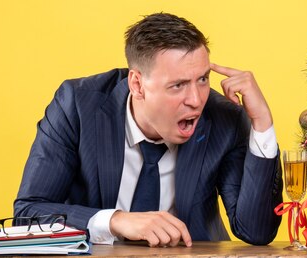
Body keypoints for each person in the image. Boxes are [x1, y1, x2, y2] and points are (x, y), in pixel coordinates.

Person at [14, 13, 283, 247]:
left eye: (202, 79)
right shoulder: (77, 106)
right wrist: (115, 221)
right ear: (138, 85)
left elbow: (255, 231)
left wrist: (261, 124)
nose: (196, 99)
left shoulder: (224, 117)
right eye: (178, 85)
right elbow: (27, 213)